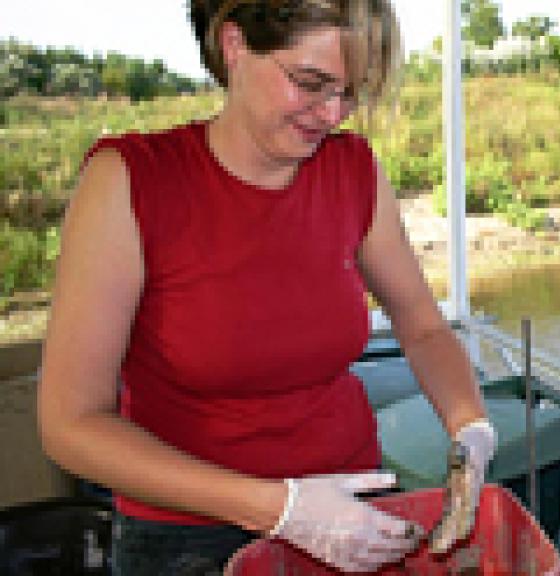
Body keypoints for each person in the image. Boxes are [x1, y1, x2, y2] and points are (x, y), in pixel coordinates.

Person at [37, 0, 495, 573]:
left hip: (355, 507)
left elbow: (423, 327)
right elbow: (71, 424)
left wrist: (469, 425)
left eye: (350, 94)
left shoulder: (352, 169)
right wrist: (281, 508)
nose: (332, 113)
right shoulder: (131, 179)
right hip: (186, 537)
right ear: (234, 45)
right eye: (311, 83)